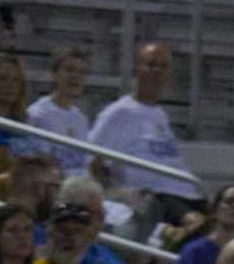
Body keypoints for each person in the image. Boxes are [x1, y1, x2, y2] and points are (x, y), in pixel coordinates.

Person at [86, 44, 200, 235]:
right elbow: (92, 160)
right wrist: (117, 192)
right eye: (151, 64)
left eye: (163, 66)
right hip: (157, 199)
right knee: (199, 226)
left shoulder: (160, 115)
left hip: (187, 194)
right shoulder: (119, 113)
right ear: (137, 69)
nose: (157, 71)